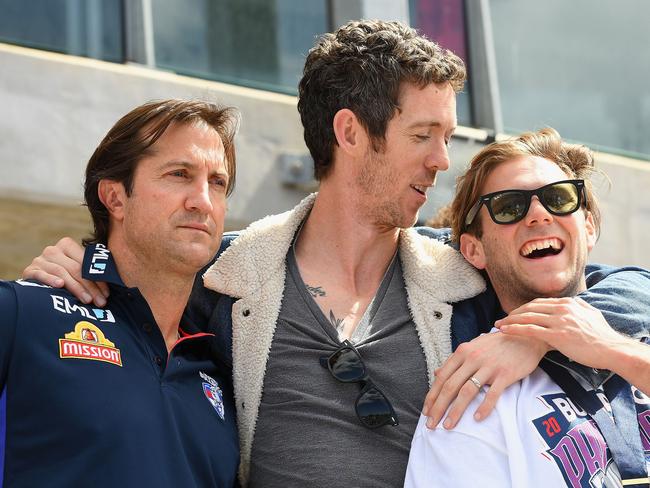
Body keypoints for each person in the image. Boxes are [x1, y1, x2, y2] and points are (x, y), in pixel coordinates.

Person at [19, 21, 650, 487]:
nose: (440, 160)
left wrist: (534, 332)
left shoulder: (464, 277)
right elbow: (134, 301)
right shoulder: (227, 279)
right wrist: (80, 265)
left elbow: (626, 285)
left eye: (446, 137)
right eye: (422, 135)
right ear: (350, 133)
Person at [0, 99, 240, 486]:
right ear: (114, 198)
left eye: (217, 182)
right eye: (179, 174)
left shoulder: (223, 368)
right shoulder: (23, 312)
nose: (204, 202)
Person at [405, 128, 650, 487]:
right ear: (474, 250)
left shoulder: (637, 321)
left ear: (590, 227)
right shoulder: (473, 401)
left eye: (559, 198)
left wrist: (609, 348)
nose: (538, 214)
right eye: (509, 206)